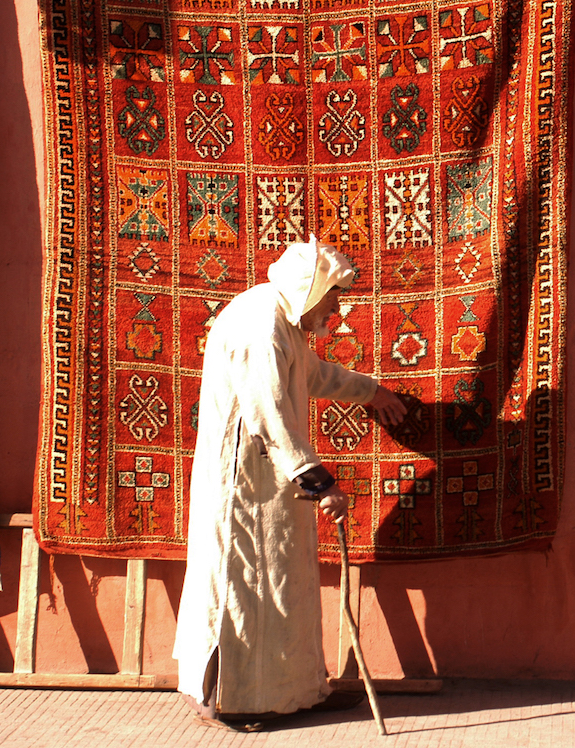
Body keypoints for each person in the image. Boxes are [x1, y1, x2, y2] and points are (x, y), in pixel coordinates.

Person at [173, 237, 406, 731]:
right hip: (244, 486)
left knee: (284, 589)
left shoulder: (282, 320)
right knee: (242, 589)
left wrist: (371, 391)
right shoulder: (260, 327)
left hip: (271, 484)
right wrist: (322, 484)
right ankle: (227, 701)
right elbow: (270, 417)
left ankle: (294, 694)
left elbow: (309, 375)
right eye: (334, 297)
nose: (338, 309)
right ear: (311, 289)